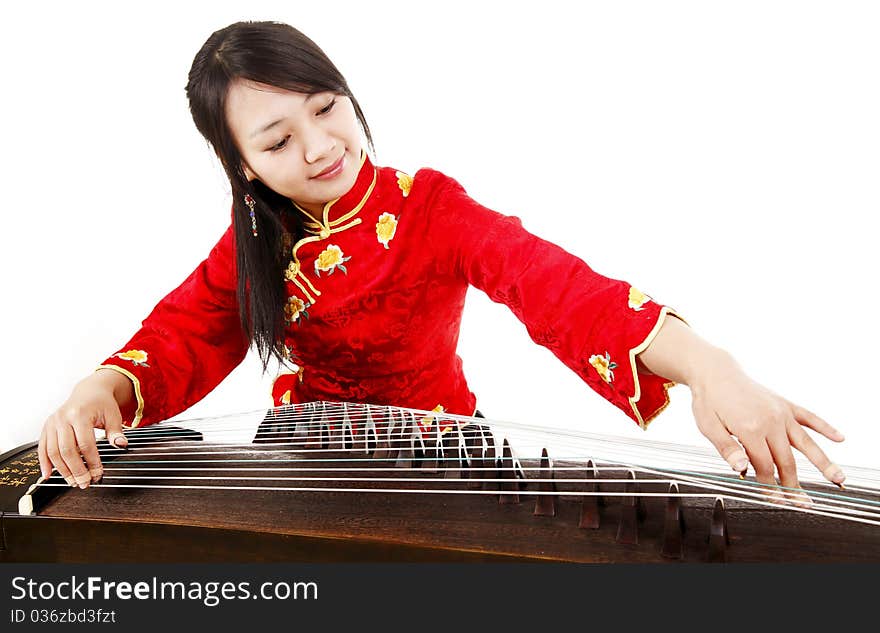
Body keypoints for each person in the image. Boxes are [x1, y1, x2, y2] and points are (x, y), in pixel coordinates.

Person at [37, 20, 845, 505]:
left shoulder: (427, 207)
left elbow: (554, 285)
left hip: (442, 448)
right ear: (242, 165)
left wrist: (709, 365)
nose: (320, 148)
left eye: (326, 108)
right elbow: (188, 327)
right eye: (278, 140)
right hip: (312, 450)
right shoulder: (258, 238)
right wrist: (98, 388)